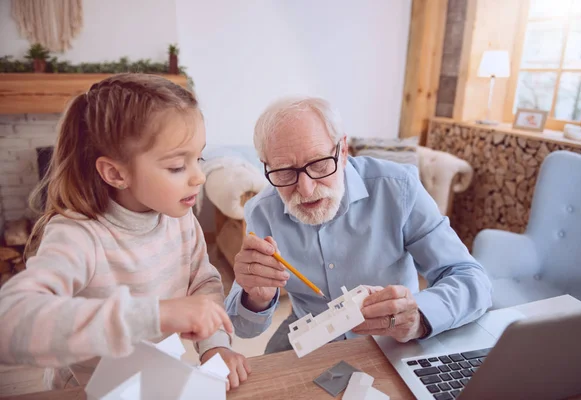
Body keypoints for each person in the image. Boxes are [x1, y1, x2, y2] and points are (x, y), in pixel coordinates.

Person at [0, 74, 250, 390]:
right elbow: (11, 323)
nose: (199, 177)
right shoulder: (78, 235)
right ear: (116, 173)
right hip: (84, 389)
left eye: (198, 157)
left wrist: (216, 344)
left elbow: (201, 281)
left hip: (156, 379)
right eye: (176, 166)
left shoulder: (179, 216)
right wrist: (154, 315)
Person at [225, 97, 492, 354]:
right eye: (284, 171)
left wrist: (418, 315)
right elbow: (243, 329)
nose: (305, 190)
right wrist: (255, 299)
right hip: (312, 327)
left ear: (343, 151)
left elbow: (472, 280)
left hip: (393, 333)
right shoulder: (261, 211)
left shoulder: (399, 188)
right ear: (266, 166)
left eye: (319, 164)